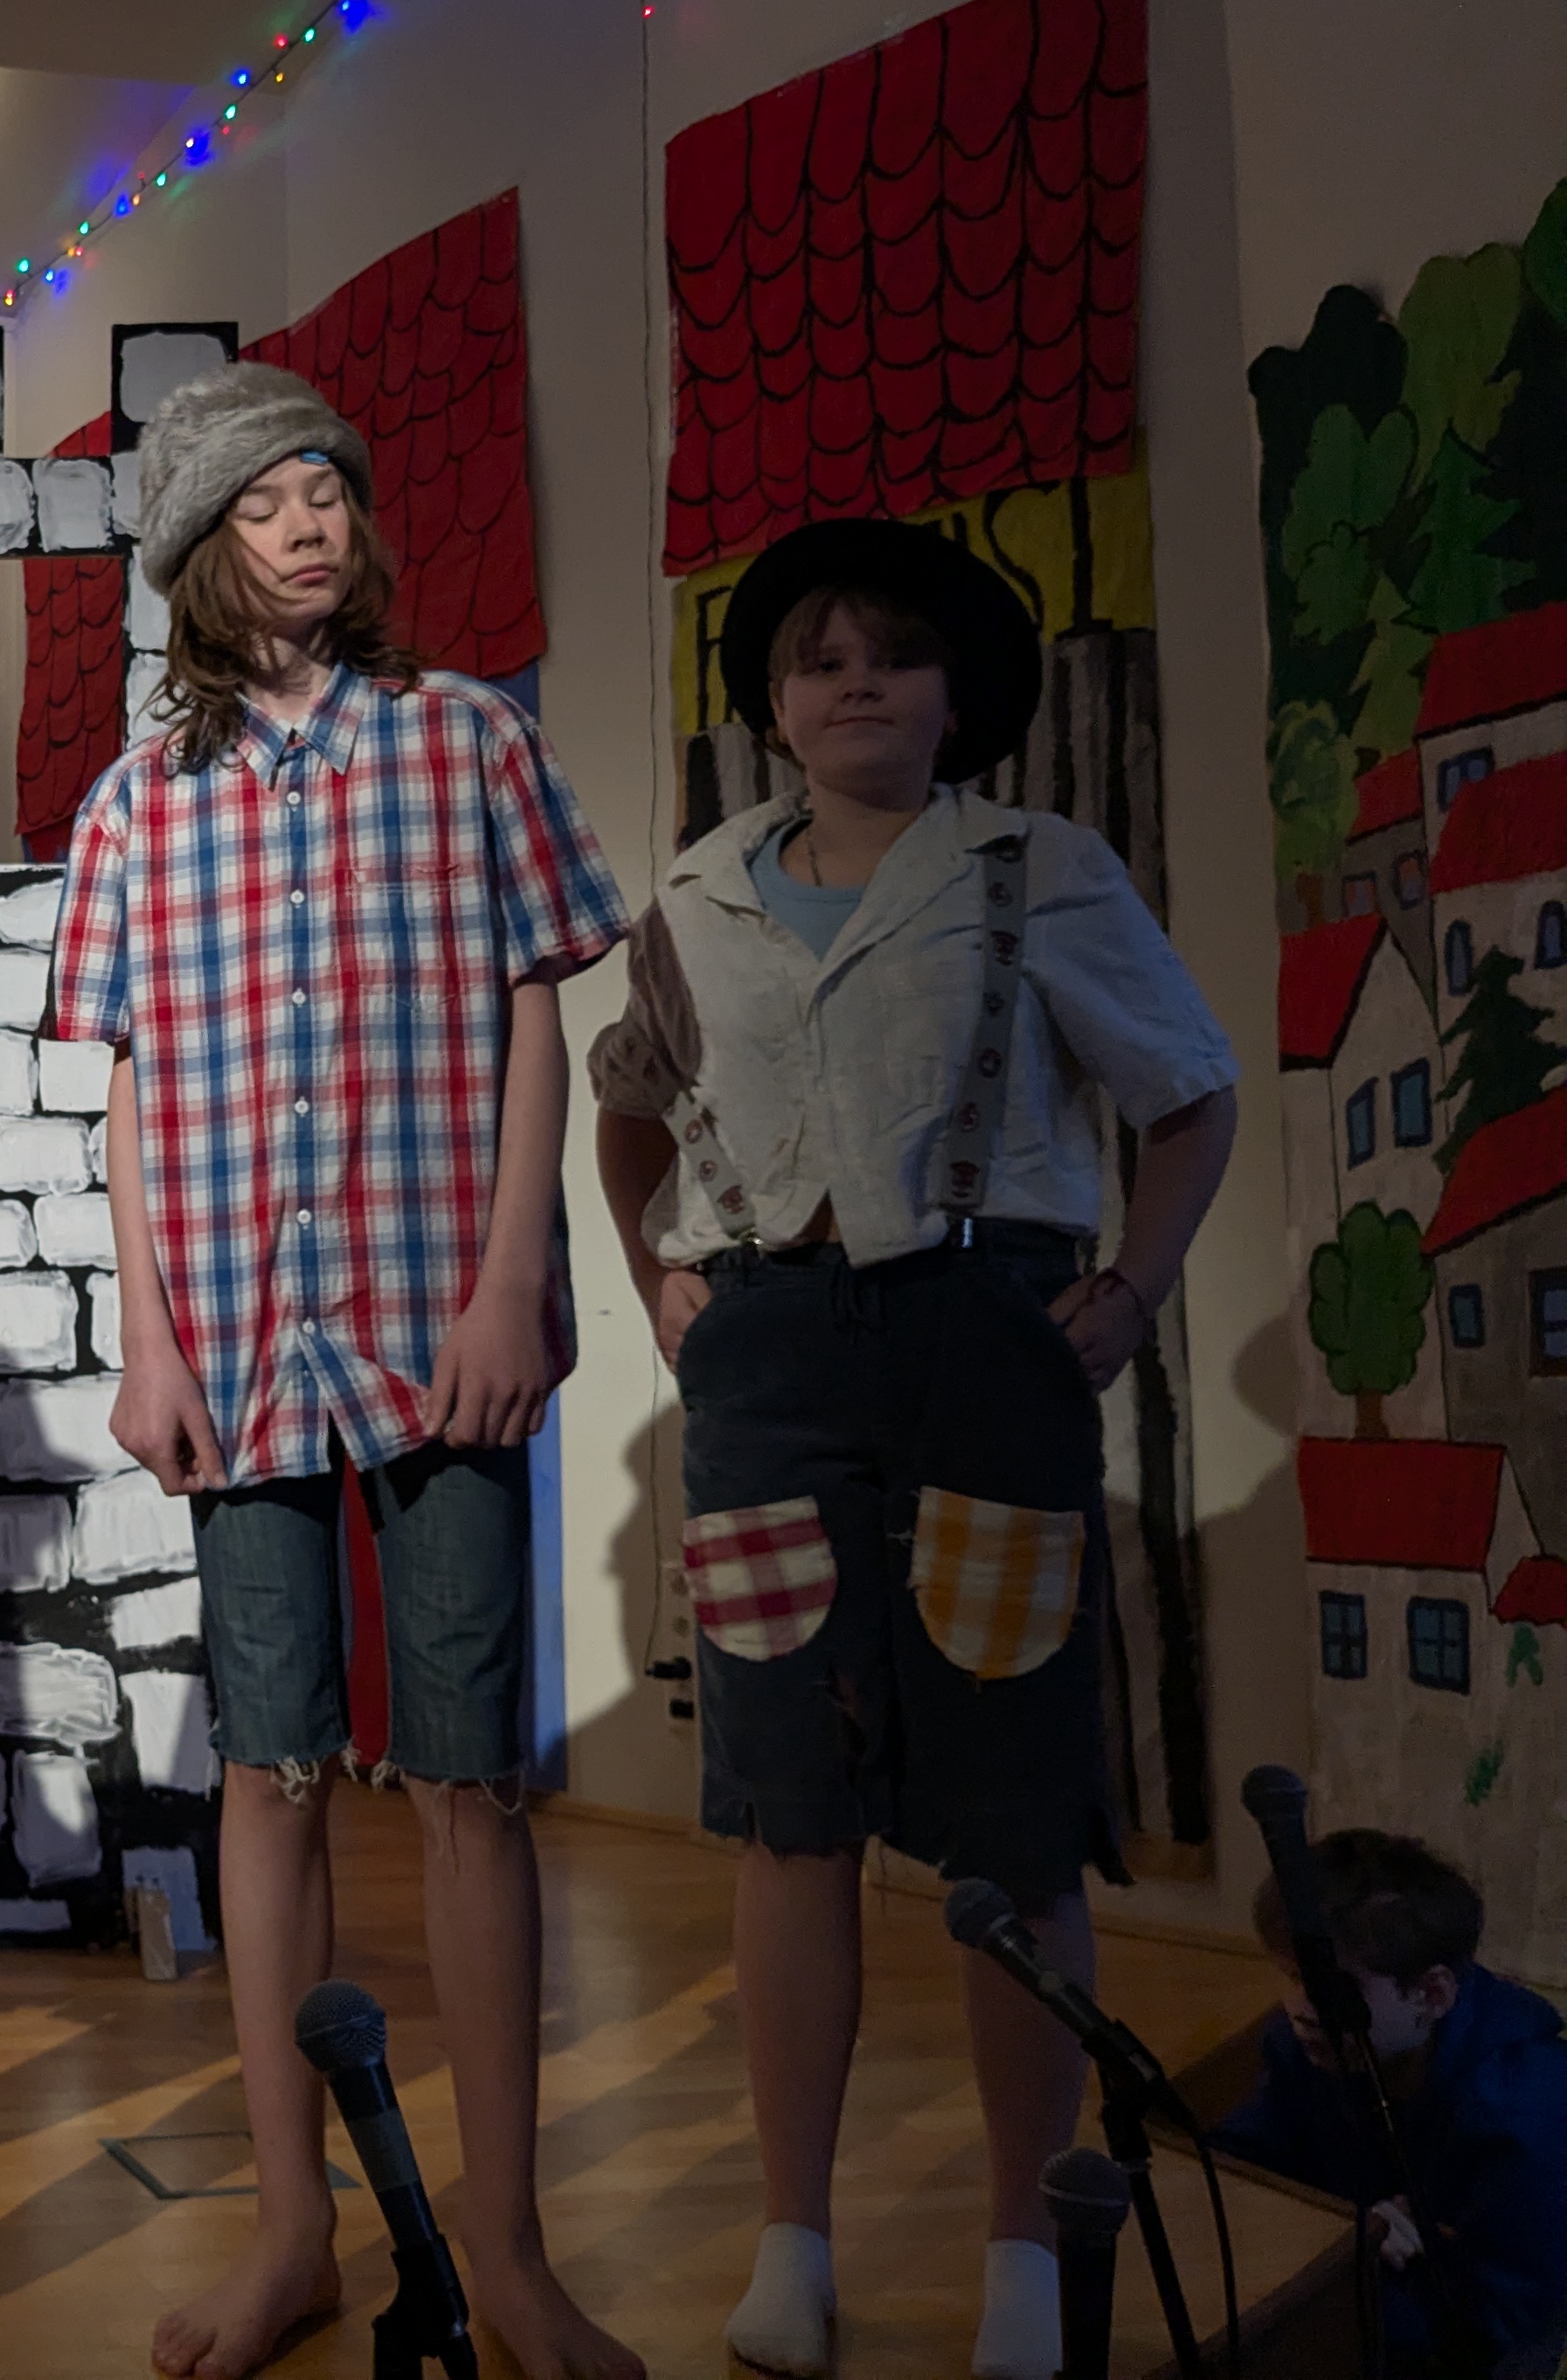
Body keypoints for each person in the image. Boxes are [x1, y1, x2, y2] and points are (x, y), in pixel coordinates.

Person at [584, 517, 1238, 2380]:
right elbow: (629, 1107)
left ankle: (1025, 2241)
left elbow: (1189, 1094)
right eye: (817, 658)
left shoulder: (1037, 866)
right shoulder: (697, 895)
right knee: (788, 1801)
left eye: (891, 654)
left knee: (1012, 1806)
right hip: (769, 1358)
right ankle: (791, 2237)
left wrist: (1130, 1289)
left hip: (983, 1337)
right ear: (773, 704)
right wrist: (655, 1277)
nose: (853, 680)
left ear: (957, 696)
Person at [49, 363, 635, 2380]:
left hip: (436, 1319)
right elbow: (132, 1093)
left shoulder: (468, 743)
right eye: (266, 502)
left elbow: (541, 1018)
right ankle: (294, 2226)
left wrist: (512, 1281)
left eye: (329, 492)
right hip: (233, 1340)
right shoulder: (137, 802)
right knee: (271, 1767)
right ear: (200, 555)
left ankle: (509, 2248)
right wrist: (151, 1338)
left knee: (469, 1775)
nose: (311, 525)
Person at [1212, 1829, 1567, 2377]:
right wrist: (1345, 2239)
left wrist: (1355, 2264)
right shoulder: (1311, 2047)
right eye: (1293, 1977)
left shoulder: (1521, 2109)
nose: (1300, 2007)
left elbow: (1503, 2316)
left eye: (1333, 1986)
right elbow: (1242, 2169)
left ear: (1432, 1994)